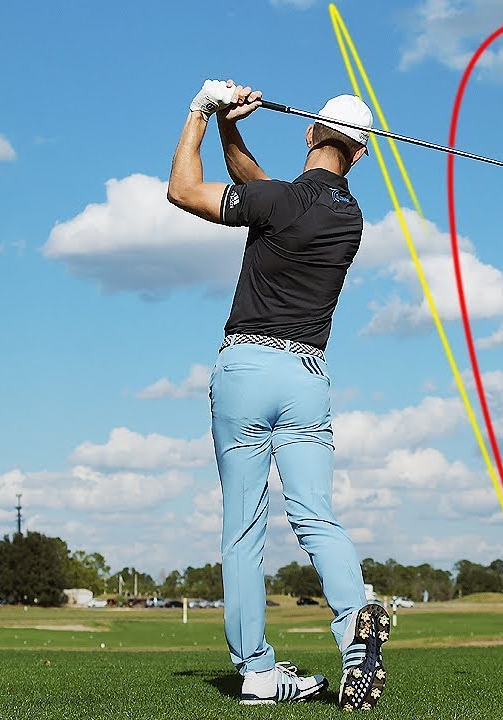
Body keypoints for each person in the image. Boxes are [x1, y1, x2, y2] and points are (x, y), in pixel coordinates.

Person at [167, 79, 390, 710]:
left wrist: (200, 113)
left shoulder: (278, 201)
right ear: (362, 155)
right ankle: (355, 625)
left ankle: (257, 670)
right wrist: (232, 131)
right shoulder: (348, 218)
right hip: (306, 379)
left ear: (310, 132)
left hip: (244, 370)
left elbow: (183, 189)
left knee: (243, 527)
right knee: (316, 513)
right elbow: (262, 190)